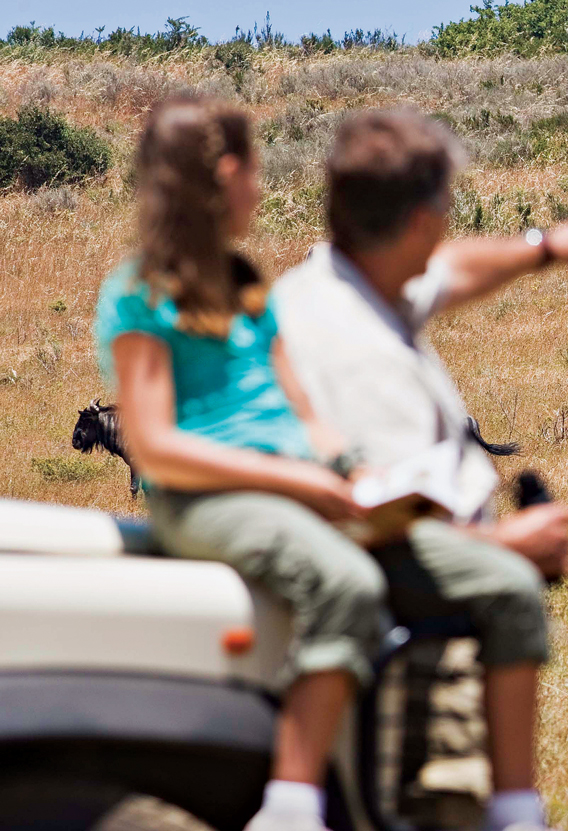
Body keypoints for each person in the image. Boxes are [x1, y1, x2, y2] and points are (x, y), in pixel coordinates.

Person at [270, 107, 568, 831]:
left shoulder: (339, 281)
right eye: (444, 208)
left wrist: (548, 246)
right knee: (509, 602)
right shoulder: (352, 348)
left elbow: (453, 273)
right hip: (405, 594)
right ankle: (515, 812)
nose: (448, 226)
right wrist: (509, 546)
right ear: (421, 222)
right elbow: (379, 508)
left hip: (408, 562)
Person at [99, 95, 372, 831]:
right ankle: (290, 804)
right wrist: (302, 479)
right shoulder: (140, 292)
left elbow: (301, 407)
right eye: (254, 169)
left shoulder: (248, 280)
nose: (263, 185)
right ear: (225, 176)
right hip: (205, 496)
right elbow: (154, 446)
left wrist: (350, 464)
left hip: (282, 483)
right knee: (345, 580)